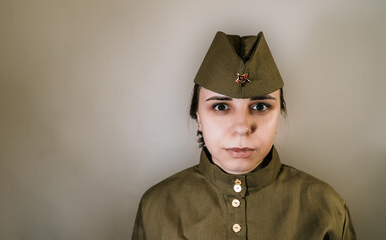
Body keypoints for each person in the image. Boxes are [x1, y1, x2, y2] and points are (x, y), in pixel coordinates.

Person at [132, 31, 357, 240]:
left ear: (279, 115)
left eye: (260, 107)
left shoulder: (327, 208)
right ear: (198, 117)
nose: (242, 127)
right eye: (221, 107)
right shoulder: (156, 207)